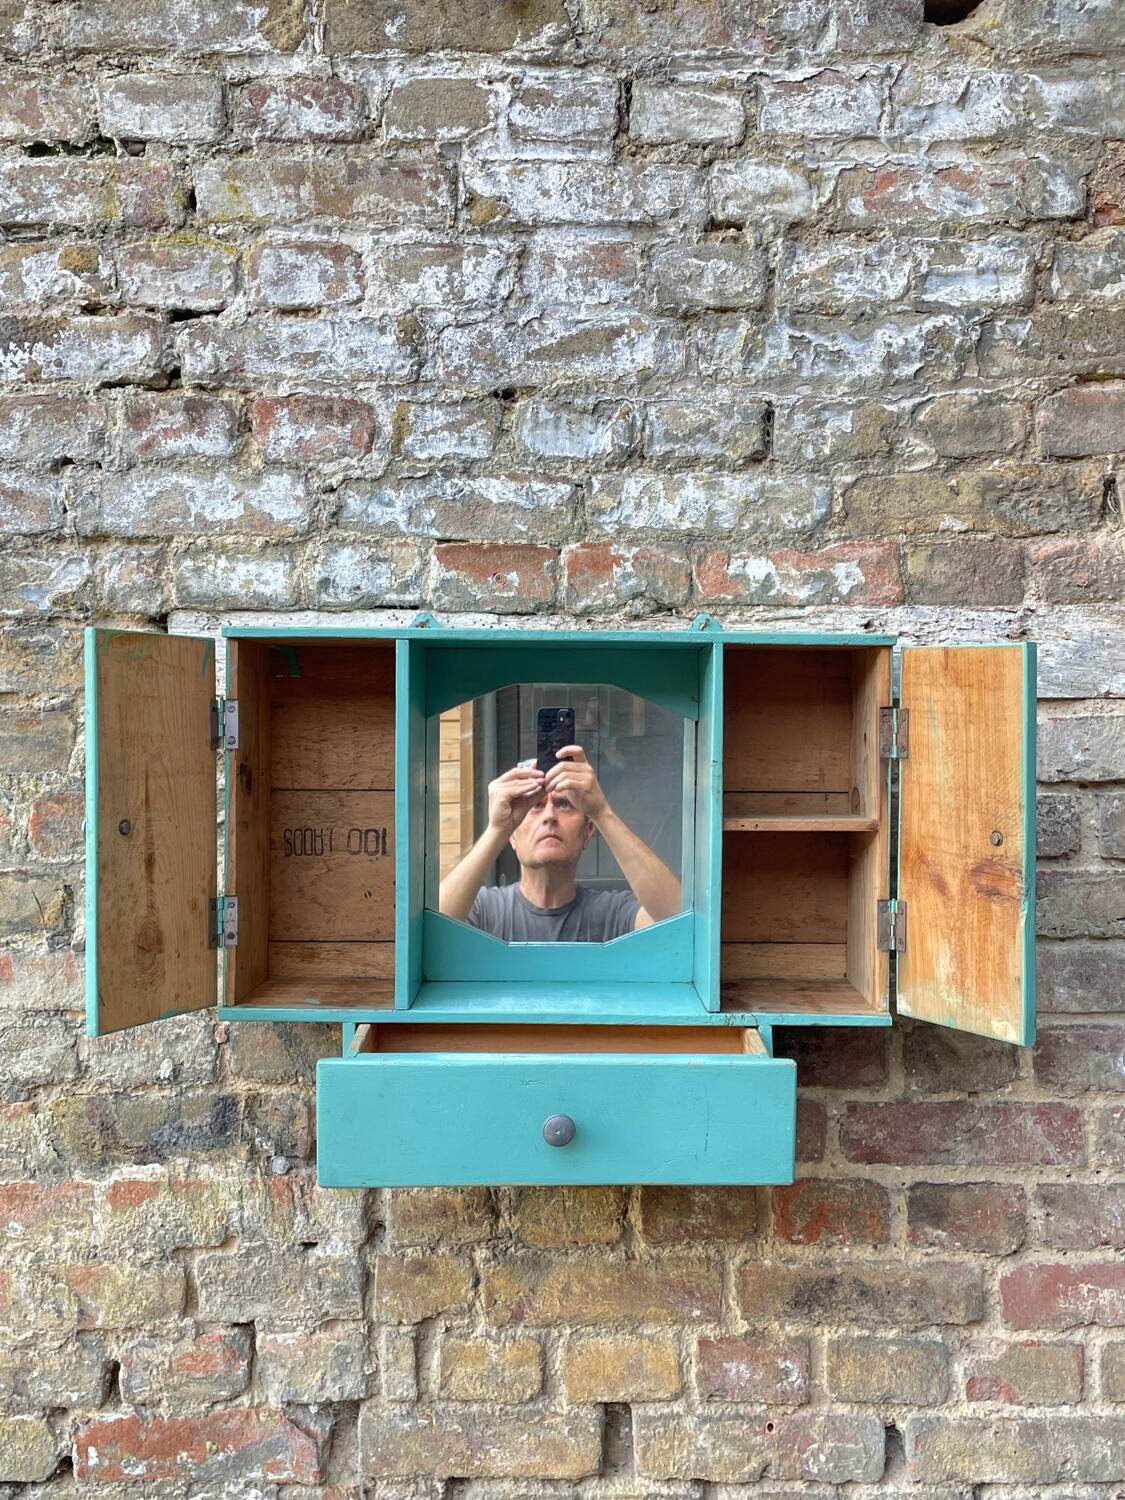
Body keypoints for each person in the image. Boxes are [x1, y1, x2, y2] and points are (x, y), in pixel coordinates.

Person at [438, 745, 681, 941]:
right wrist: (496, 830)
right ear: (512, 835)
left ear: (587, 833)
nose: (549, 816)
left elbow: (680, 922)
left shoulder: (614, 914)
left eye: (564, 804)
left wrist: (601, 812)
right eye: (535, 806)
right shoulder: (484, 910)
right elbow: (429, 933)